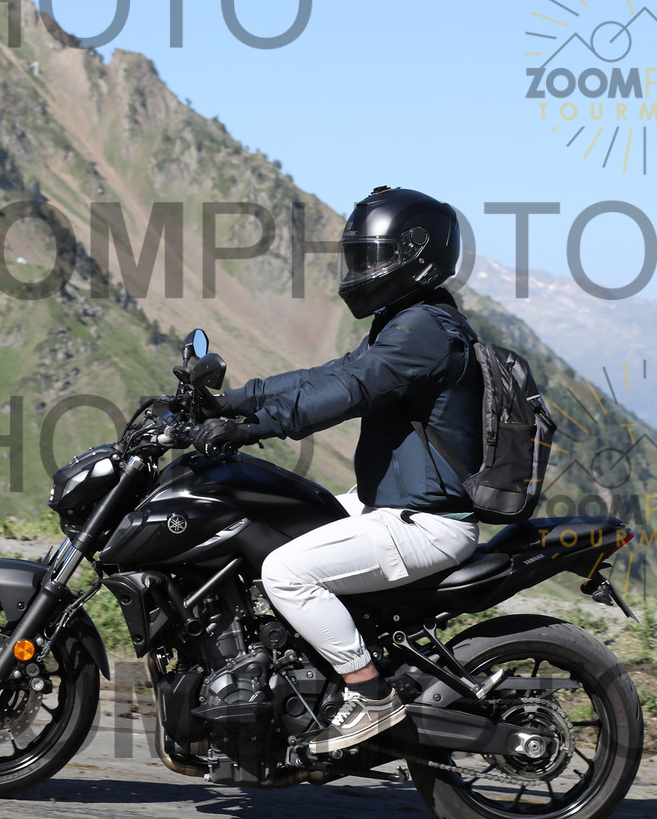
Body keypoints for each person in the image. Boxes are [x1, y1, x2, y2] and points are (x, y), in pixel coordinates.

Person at [191, 186, 484, 754]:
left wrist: (251, 428)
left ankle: (369, 695)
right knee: (271, 527)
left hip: (425, 523)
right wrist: (234, 402)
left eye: (374, 256)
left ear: (415, 254)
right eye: (360, 257)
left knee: (285, 572)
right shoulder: (408, 321)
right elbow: (327, 374)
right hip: (391, 503)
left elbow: (349, 391)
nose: (363, 270)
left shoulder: (426, 332)